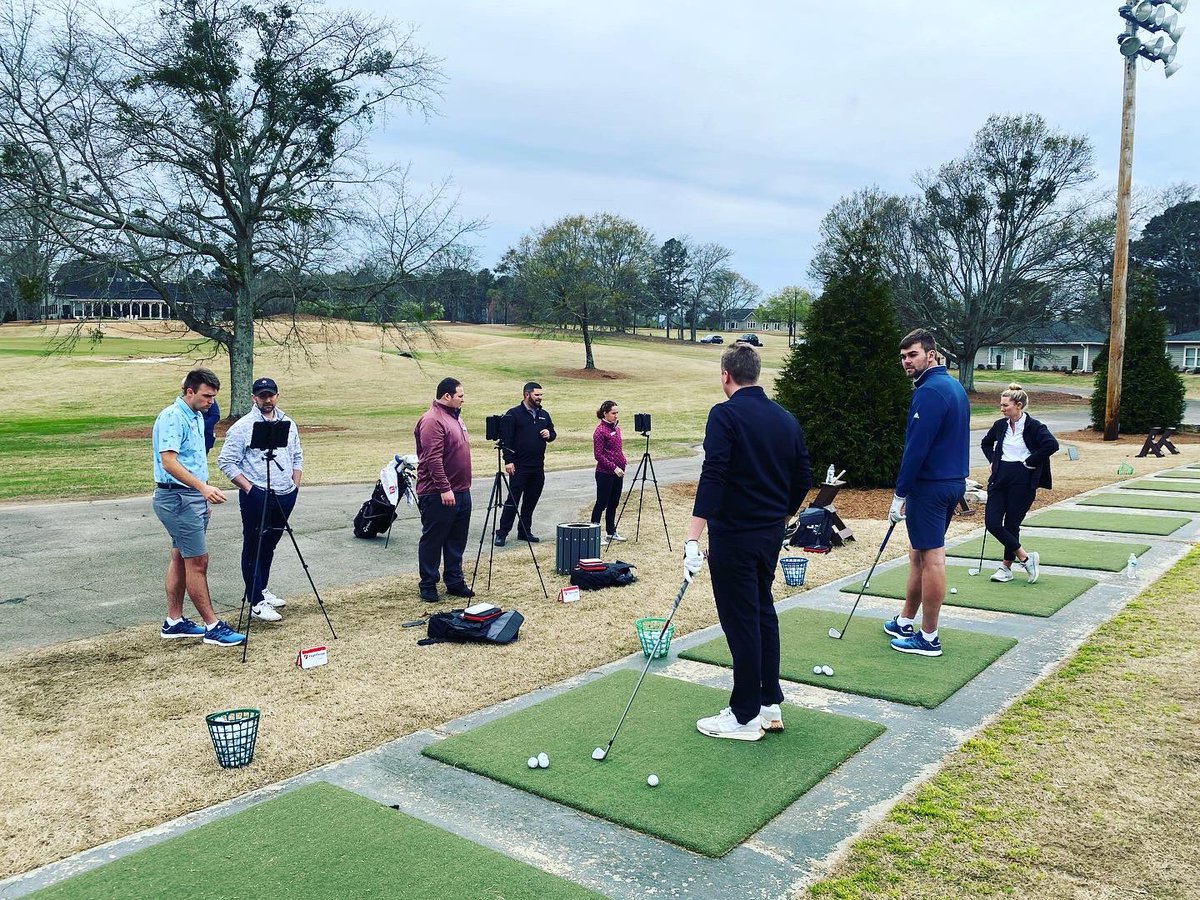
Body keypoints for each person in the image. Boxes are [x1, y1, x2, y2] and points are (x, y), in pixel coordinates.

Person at [684, 344, 812, 741]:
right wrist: (782, 514)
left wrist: (692, 537)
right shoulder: (785, 418)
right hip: (769, 532)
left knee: (742, 621)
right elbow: (803, 478)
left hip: (736, 535)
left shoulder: (724, 414)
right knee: (761, 612)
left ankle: (743, 716)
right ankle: (768, 702)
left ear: (726, 375)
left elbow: (714, 474)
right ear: (756, 373)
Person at [884, 329, 971, 658]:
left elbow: (915, 449)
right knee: (919, 555)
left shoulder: (931, 391)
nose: (907, 361)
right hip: (949, 483)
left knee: (932, 558)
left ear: (930, 355)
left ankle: (929, 636)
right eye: (903, 357)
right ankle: (906, 620)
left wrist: (900, 493)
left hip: (932, 486)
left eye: (913, 355)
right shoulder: (951, 385)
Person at [151, 368, 245, 647]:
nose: (211, 402)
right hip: (177, 498)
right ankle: (212, 627)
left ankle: (174, 622)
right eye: (206, 396)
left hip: (189, 497)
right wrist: (202, 489)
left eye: (214, 397)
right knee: (198, 561)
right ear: (189, 391)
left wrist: (201, 494)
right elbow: (169, 462)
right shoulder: (172, 417)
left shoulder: (194, 416)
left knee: (181, 557)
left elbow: (192, 459)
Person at [216, 377, 304, 623]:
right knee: (254, 544)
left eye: (271, 395)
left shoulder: (288, 422)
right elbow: (226, 461)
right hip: (257, 493)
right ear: (254, 397)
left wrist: (295, 485)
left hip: (285, 493)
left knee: (270, 544)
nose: (267, 400)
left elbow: (297, 455)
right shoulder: (242, 427)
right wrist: (249, 488)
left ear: (277, 395)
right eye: (262, 396)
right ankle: (255, 600)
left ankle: (261, 588)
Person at [980, 383, 1059, 584]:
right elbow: (986, 443)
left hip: (1023, 478)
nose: (1002, 408)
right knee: (992, 522)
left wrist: (1030, 461)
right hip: (1000, 477)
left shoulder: (1034, 426)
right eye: (1001, 405)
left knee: (1012, 524)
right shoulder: (1000, 425)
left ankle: (1006, 568)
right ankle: (1025, 557)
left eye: (1005, 405)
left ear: (1019, 405)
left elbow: (1051, 445)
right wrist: (992, 460)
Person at [414, 377, 474, 602]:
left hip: (461, 490)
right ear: (446, 396)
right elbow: (433, 458)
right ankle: (428, 583)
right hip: (438, 493)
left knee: (457, 539)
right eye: (460, 396)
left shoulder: (455, 418)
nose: (463, 400)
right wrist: (444, 488)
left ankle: (454, 581)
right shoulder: (432, 420)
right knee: (434, 539)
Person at [494, 381, 556, 546]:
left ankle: (524, 531)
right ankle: (502, 532)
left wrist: (549, 434)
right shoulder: (513, 414)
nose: (539, 398)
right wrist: (508, 461)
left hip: (537, 466)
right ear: (526, 394)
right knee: (512, 500)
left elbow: (553, 433)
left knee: (530, 501)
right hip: (519, 466)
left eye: (541, 395)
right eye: (537, 395)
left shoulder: (544, 415)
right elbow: (506, 439)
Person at [591, 400, 627, 546]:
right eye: (613, 413)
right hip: (605, 473)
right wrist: (614, 467)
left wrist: (623, 459)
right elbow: (598, 455)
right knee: (602, 503)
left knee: (614, 502)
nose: (616, 416)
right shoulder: (600, 431)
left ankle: (611, 532)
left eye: (617, 413)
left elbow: (616, 449)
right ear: (605, 413)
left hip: (618, 472)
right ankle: (594, 533)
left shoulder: (617, 429)